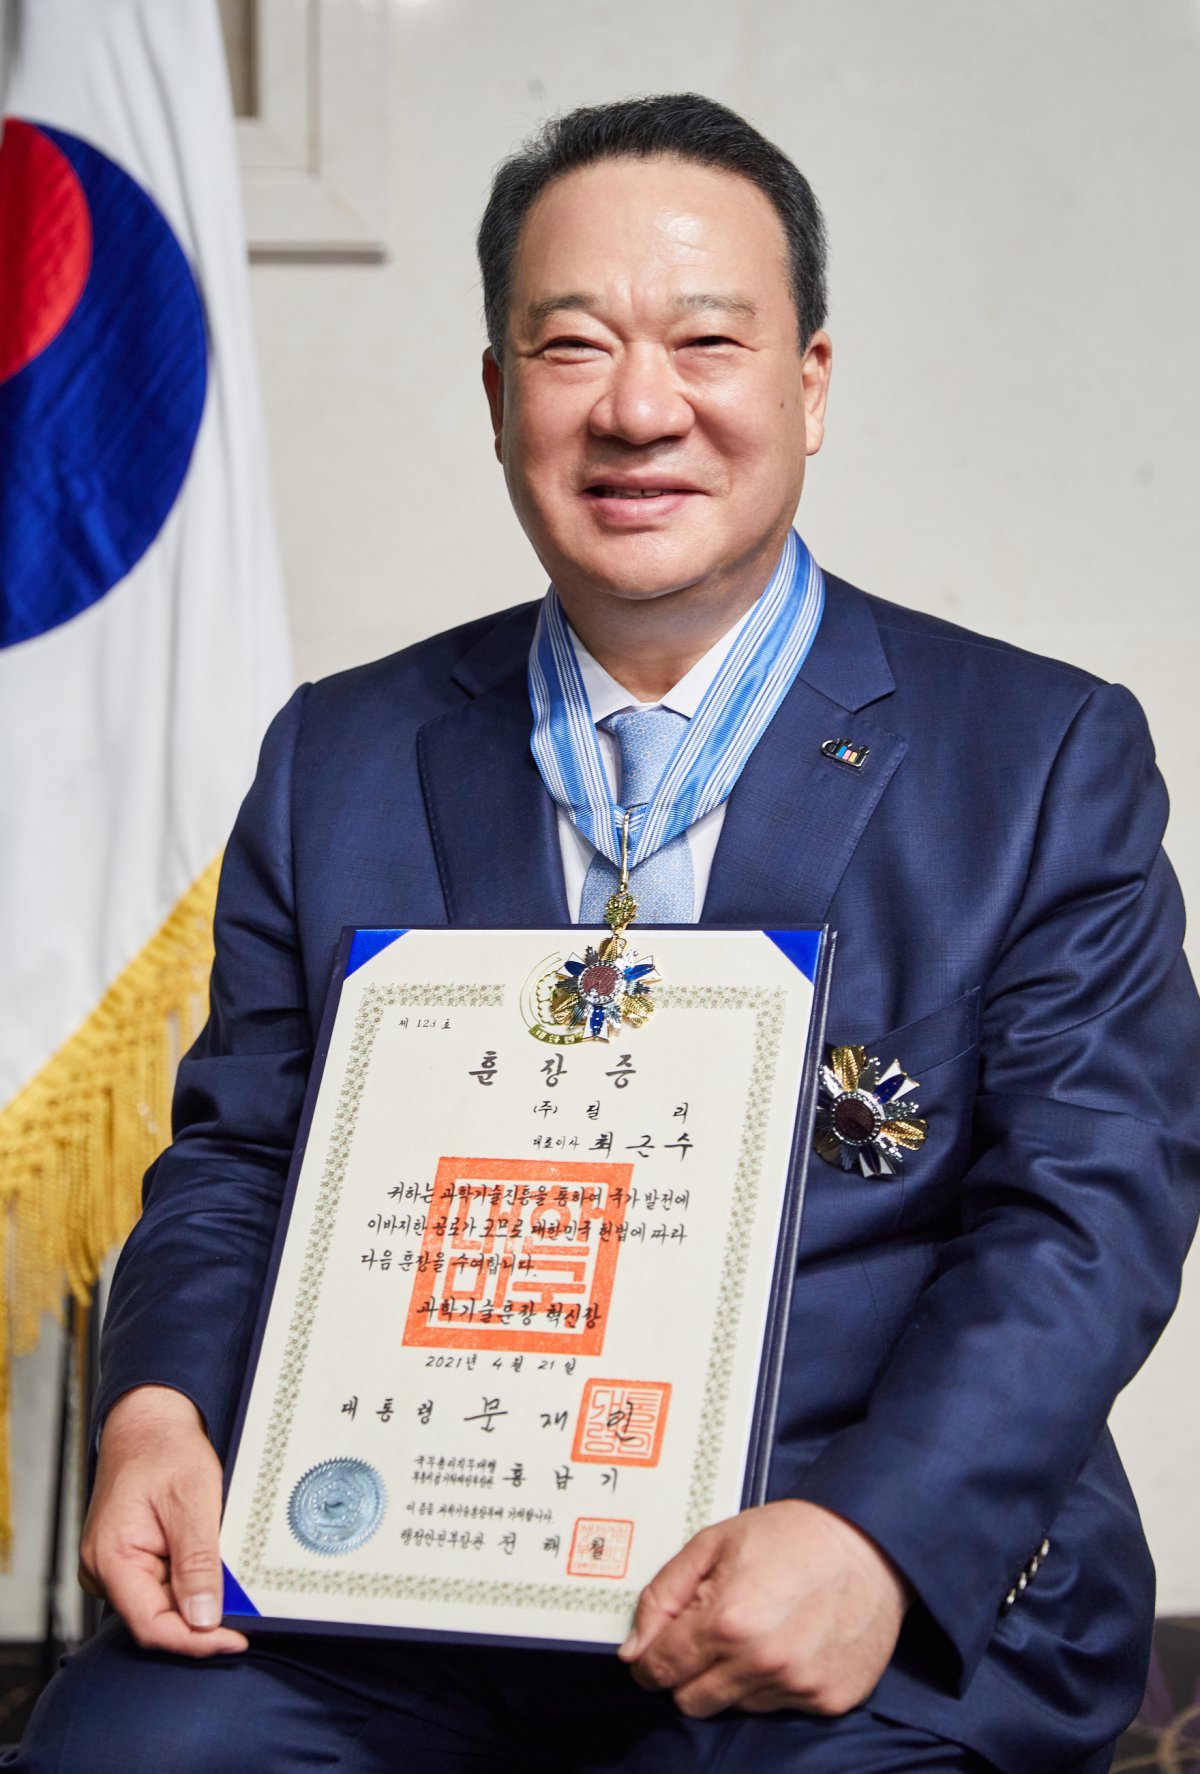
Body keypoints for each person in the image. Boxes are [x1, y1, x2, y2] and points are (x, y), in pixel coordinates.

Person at [11, 93, 1200, 1774]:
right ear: (498, 398)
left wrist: (871, 1537)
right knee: (124, 1750)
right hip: (405, 1572)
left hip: (839, 1560)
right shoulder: (337, 752)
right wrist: (157, 1409)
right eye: (571, 346)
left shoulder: (1040, 754)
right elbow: (236, 1157)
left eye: (708, 340)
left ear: (811, 383)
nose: (641, 408)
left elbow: (1089, 1207)